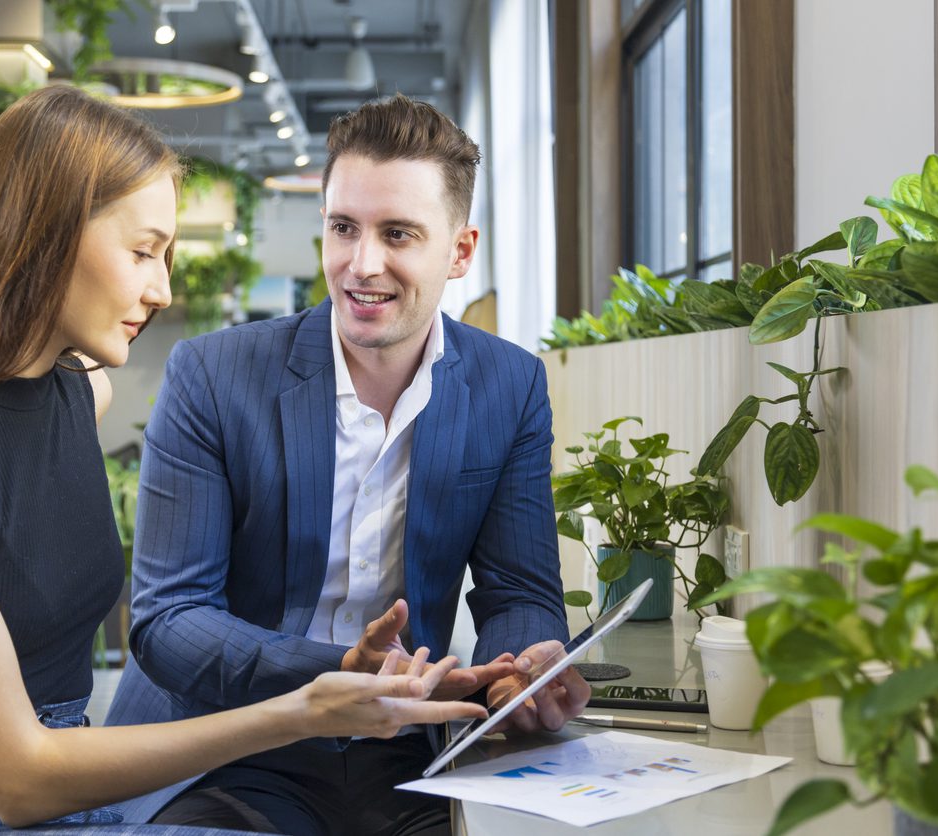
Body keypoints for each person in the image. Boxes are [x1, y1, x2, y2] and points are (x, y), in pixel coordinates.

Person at [0, 85, 487, 836]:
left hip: (63, 794)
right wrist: (298, 713)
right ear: (43, 235)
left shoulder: (81, 392)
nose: (161, 288)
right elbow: (18, 780)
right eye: (144, 251)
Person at [106, 94, 590, 835]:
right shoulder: (212, 374)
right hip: (228, 744)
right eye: (343, 228)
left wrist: (523, 669)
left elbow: (519, 590)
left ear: (460, 251)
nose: (363, 265)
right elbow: (168, 622)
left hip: (404, 748)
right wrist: (339, 671)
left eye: (398, 233)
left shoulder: (509, 385)